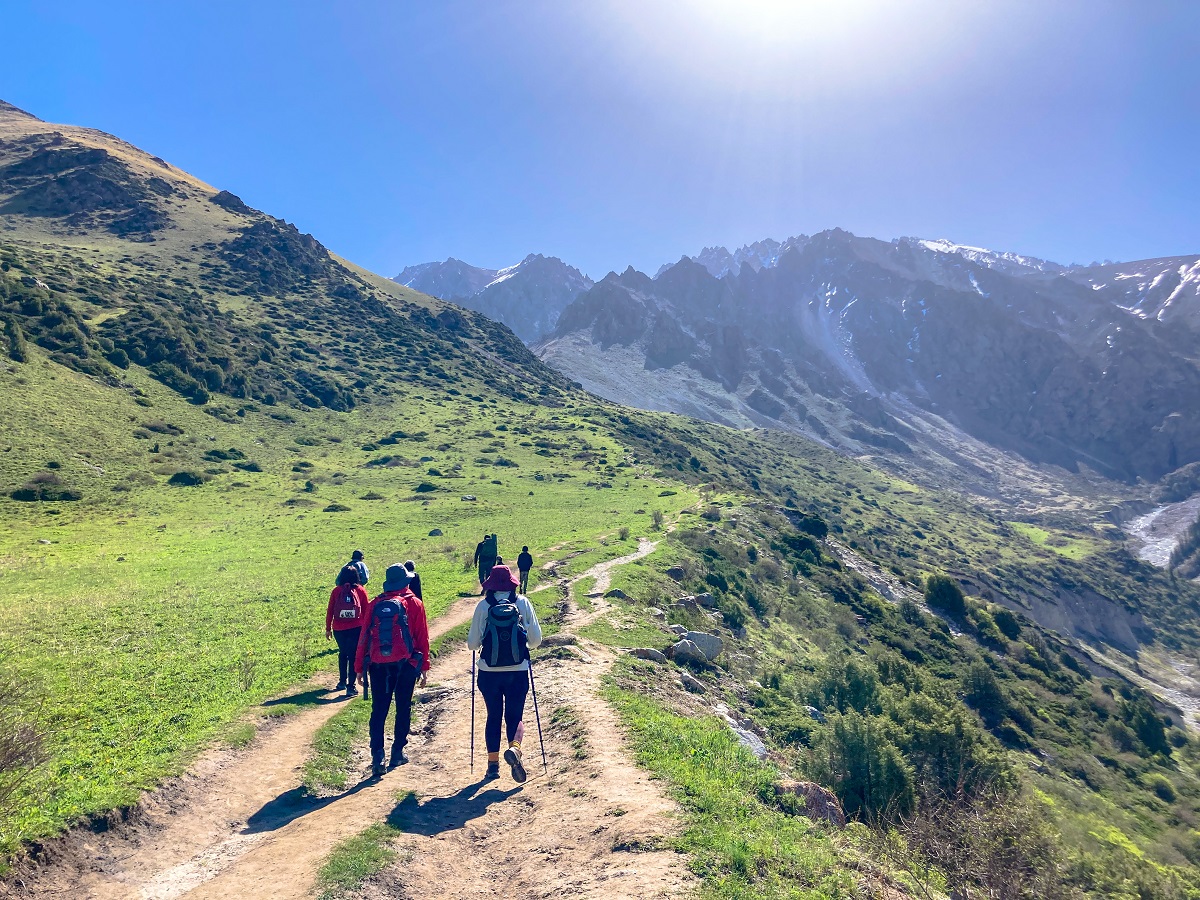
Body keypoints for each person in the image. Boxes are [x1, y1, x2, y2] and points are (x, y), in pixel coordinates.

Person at [467, 564, 542, 782]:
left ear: (490, 585)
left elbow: (472, 644)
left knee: (493, 716)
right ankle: (515, 749)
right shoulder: (523, 603)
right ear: (512, 584)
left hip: (489, 672)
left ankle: (492, 766)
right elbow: (536, 641)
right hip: (517, 671)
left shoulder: (483, 606)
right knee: (514, 716)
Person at [355, 564, 431, 776]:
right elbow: (422, 637)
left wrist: (359, 667)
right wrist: (424, 666)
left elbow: (364, 637)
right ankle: (397, 753)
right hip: (407, 664)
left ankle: (377, 755)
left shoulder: (374, 604)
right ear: (406, 582)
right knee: (403, 706)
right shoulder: (415, 603)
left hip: (378, 664)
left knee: (379, 708)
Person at [327, 563, 368, 696]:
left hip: (338, 628)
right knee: (353, 656)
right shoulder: (361, 590)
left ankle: (341, 682)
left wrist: (328, 628)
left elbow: (330, 610)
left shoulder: (336, 591)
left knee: (343, 653)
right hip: (356, 627)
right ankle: (351, 686)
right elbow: (366, 611)